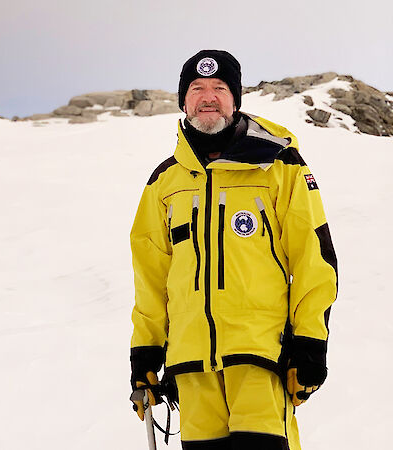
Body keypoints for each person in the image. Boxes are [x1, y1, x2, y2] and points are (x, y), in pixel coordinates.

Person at [128, 50, 338, 450]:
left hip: (260, 357)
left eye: (219, 88)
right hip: (191, 370)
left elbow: (314, 259)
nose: (208, 97)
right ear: (183, 101)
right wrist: (145, 355)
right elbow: (151, 278)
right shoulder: (164, 182)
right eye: (197, 88)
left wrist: (311, 343)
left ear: (236, 100)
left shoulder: (280, 164)